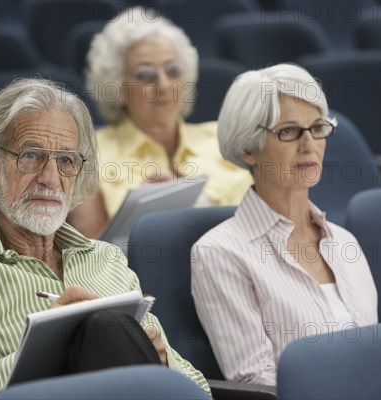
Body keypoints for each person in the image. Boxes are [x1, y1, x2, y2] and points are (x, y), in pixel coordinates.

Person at [0, 79, 209, 400]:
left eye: (66, 160)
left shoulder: (106, 259)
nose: (50, 178)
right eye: (31, 156)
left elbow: (198, 389)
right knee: (103, 326)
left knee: (109, 328)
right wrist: (36, 354)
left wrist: (163, 361)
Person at [191, 64, 378, 386]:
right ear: (247, 149)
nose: (309, 145)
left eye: (318, 127)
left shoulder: (344, 241)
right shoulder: (218, 253)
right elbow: (255, 379)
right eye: (289, 131)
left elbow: (378, 358)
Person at [67, 7, 252, 238]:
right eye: (145, 74)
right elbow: (90, 260)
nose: (163, 85)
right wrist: (143, 218)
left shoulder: (224, 137)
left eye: (173, 71)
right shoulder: (87, 154)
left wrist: (198, 206)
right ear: (116, 85)